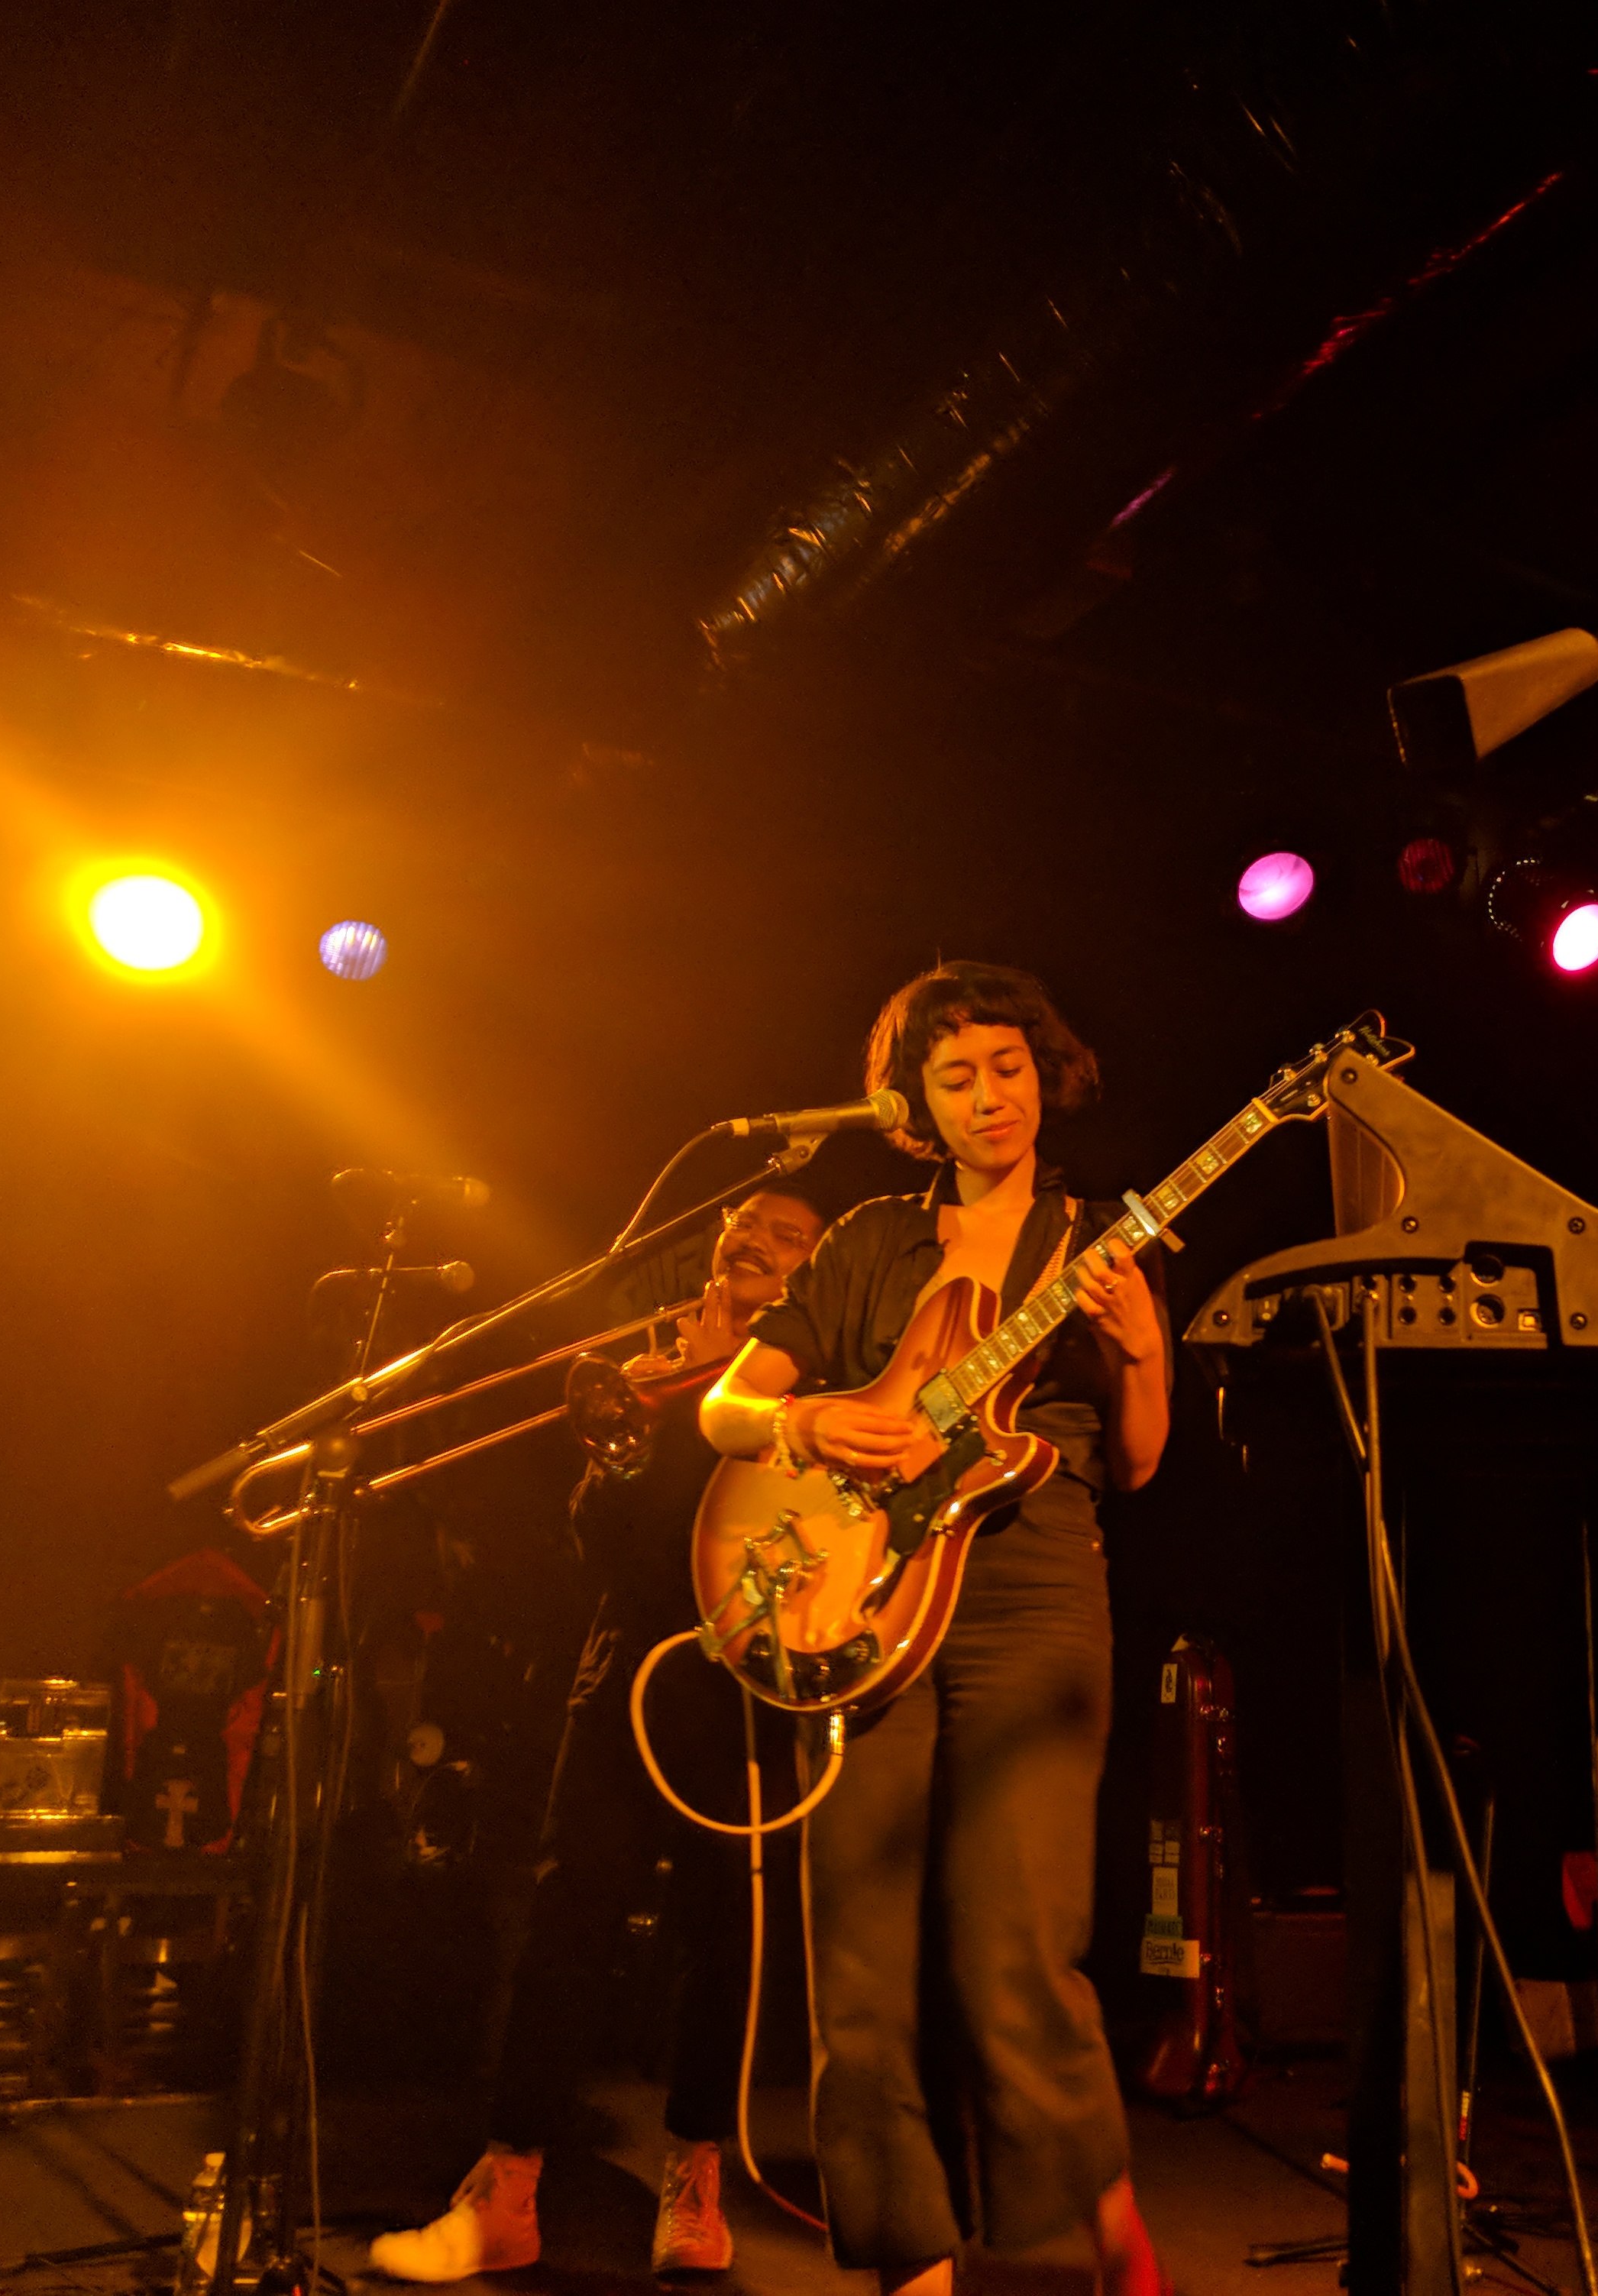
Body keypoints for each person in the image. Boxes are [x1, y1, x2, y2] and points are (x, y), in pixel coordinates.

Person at [696, 961, 1173, 2296]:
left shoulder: (1096, 1240)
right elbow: (727, 1408)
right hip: (864, 1589)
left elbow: (1140, 1464)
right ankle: (912, 2263)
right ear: (917, 1103)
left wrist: (1140, 1347)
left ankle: (1096, 2230)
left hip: (1033, 1589)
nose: (988, 1097)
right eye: (955, 1077)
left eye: (1007, 1068)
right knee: (857, 1956)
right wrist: (803, 1420)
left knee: (1018, 1941)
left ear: (1045, 1075)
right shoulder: (867, 1240)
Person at [372, 1183, 829, 2281]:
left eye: (788, 1237)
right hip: (630, 1667)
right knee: (567, 1914)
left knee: (727, 1933)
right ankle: (507, 2186)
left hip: (751, 1677)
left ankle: (696, 2176)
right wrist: (645, 1424)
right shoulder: (651, 1367)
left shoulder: (816, 1384)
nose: (755, 1242)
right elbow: (596, 1539)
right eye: (743, 1227)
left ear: (816, 1273)